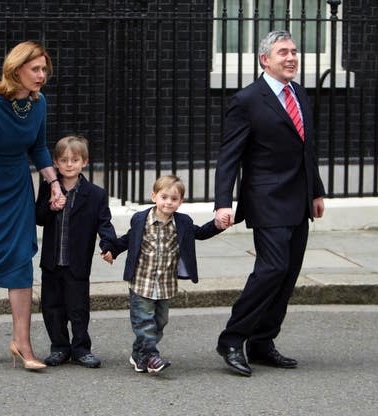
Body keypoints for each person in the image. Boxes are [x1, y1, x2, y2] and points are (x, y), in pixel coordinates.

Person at [213, 30, 326, 377]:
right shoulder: (247, 100)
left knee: (288, 275)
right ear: (265, 59)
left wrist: (316, 191)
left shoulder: (299, 93)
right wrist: (222, 202)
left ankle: (263, 342)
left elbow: (306, 147)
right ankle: (232, 339)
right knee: (271, 269)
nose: (291, 57)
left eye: (294, 51)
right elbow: (229, 156)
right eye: (283, 53)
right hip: (266, 199)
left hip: (298, 198)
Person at [0, 41, 62, 370]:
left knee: (20, 263)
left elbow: (40, 148)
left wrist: (55, 184)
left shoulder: (38, 103)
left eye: (44, 69)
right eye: (35, 69)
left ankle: (23, 343)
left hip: (17, 190)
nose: (41, 75)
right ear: (16, 70)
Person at [102, 175, 223, 374]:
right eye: (164, 197)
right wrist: (111, 250)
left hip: (166, 284)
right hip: (141, 282)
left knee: (160, 322)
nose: (168, 202)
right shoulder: (141, 219)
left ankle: (139, 355)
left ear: (180, 202)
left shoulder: (182, 223)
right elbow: (127, 240)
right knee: (144, 322)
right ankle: (152, 357)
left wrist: (218, 225)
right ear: (154, 197)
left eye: (174, 199)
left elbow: (200, 233)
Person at [35, 135, 117, 368]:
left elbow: (104, 223)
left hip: (77, 262)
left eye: (75, 160)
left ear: (85, 162)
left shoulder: (95, 194)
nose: (69, 164)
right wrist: (51, 207)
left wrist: (108, 245)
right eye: (63, 160)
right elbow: (38, 218)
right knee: (52, 308)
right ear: (55, 163)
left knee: (78, 307)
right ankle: (59, 347)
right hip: (51, 262)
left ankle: (81, 348)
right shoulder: (49, 188)